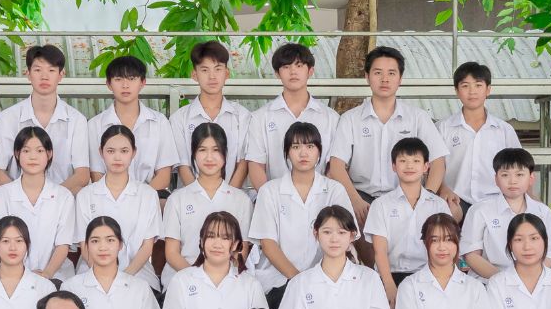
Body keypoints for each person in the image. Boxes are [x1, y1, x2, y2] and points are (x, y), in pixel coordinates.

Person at [326, 45, 444, 225]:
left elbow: (438, 161)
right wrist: (355, 200)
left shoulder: (418, 117)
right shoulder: (350, 119)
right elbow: (336, 165)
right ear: (367, 77)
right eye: (378, 73)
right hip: (362, 196)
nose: (385, 79)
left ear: (400, 78)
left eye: (391, 73)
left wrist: (427, 197)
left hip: (407, 195)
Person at [247, 121, 353, 307]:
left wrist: (317, 281)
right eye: (296, 147)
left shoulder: (335, 190)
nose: (303, 153)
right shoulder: (269, 191)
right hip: (278, 282)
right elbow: (268, 245)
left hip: (325, 280)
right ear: (287, 152)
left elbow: (345, 238)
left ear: (320, 151)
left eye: (310, 146)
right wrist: (299, 281)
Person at [366, 136, 455, 306]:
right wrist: (389, 285)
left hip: (429, 276)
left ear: (426, 167)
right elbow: (379, 250)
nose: (409, 166)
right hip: (391, 275)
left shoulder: (438, 205)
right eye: (403, 161)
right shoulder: (381, 205)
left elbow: (447, 245)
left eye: (416, 161)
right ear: (394, 166)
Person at [0, 44, 91, 190]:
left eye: (51, 70)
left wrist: (53, 198)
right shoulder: (7, 118)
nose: (44, 76)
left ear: (61, 74)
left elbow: (82, 174)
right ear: (28, 74)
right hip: (16, 199)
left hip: (61, 198)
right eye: (38, 70)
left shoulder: (77, 120)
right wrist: (21, 197)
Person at [76, 125, 163, 289]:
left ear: (134, 152)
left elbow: (147, 246)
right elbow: (84, 244)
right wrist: (105, 277)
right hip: (92, 273)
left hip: (138, 275)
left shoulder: (148, 195)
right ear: (101, 152)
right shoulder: (85, 196)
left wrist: (125, 277)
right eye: (110, 151)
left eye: (124, 151)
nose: (117, 157)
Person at [243, 42, 338, 189]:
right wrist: (270, 198)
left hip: (320, 197)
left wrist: (321, 196)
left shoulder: (331, 118)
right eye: (286, 67)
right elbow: (256, 165)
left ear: (310, 71)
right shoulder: (260, 117)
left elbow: (333, 167)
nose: (293, 72)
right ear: (277, 73)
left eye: (299, 65)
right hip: (273, 197)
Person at [160, 122, 252, 273]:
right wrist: (198, 279)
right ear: (193, 154)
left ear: (225, 154)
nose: (209, 157)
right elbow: (172, 253)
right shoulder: (177, 199)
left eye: (216, 150)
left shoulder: (241, 200)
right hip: (183, 278)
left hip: (226, 280)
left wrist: (219, 280)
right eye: (202, 150)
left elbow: (241, 251)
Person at [462, 147, 551, 279]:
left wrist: (529, 281)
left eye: (519, 174)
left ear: (531, 178)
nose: (513, 181)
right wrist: (504, 282)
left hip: (534, 283)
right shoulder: (479, 211)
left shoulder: (544, 213)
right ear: (496, 179)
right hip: (489, 282)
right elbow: (471, 255)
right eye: (505, 175)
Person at [0, 126, 77, 279]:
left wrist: (47, 274)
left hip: (55, 277)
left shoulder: (64, 197)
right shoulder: (2, 195)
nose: (33, 157)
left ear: (49, 154)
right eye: (26, 151)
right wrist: (22, 277)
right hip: (12, 278)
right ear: (17, 154)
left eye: (40, 151)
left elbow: (63, 244)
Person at [86, 53, 182, 191]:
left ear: (142, 82)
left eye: (132, 79)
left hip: (151, 194)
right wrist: (118, 198)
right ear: (109, 84)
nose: (125, 85)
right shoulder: (94, 125)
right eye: (118, 79)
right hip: (108, 196)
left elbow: (164, 175)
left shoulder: (159, 122)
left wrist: (140, 198)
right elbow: (96, 174)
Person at [437, 60, 521, 216]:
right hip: (456, 199)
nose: (472, 91)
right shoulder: (443, 128)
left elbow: (518, 167)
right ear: (456, 91)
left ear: (488, 89)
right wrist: (443, 189)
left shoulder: (504, 130)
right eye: (465, 86)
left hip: (495, 199)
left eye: (478, 85)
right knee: (445, 216)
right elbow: (433, 166)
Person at [169, 40, 252, 187]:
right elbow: (183, 165)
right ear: (194, 74)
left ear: (227, 73)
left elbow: (243, 163)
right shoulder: (179, 118)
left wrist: (228, 195)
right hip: (190, 197)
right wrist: (198, 196)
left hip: (233, 197)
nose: (212, 76)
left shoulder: (242, 116)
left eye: (218, 69)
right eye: (205, 70)